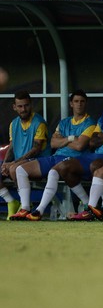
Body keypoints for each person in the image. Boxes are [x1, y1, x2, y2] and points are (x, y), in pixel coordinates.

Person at [25, 80, 103, 221]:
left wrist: (102, 135)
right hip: (96, 153)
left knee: (96, 165)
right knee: (63, 168)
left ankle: (102, 207)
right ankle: (40, 210)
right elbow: (92, 141)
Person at [11, 90, 96, 221]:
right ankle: (25, 208)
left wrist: (63, 140)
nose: (79, 104)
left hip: (74, 159)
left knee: (53, 172)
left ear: (86, 103)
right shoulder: (64, 122)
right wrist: (72, 138)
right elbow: (53, 143)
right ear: (71, 104)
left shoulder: (90, 123)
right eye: (76, 101)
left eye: (82, 101)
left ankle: (39, 210)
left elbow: (80, 146)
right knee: (20, 170)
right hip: (56, 156)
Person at [2, 91, 49, 220]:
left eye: (26, 105)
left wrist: (13, 163)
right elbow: (12, 146)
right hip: (19, 161)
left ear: (31, 105)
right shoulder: (13, 124)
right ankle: (11, 201)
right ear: (14, 107)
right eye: (20, 106)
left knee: (15, 169)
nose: (23, 109)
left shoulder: (39, 122)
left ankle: (24, 205)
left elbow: (36, 148)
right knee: (8, 167)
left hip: (38, 160)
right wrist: (6, 163)